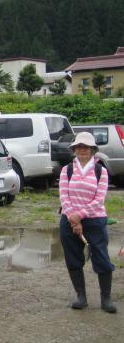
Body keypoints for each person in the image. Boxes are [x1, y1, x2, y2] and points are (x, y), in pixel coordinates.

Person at [59, 132, 117, 313]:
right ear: (74, 149)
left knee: (101, 258)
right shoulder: (66, 170)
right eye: (79, 147)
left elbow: (99, 199)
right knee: (73, 258)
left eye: (86, 147)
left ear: (93, 150)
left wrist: (80, 216)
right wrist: (72, 217)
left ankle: (105, 299)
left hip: (95, 220)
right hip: (69, 219)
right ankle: (81, 297)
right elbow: (63, 196)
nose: (82, 150)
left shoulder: (101, 171)